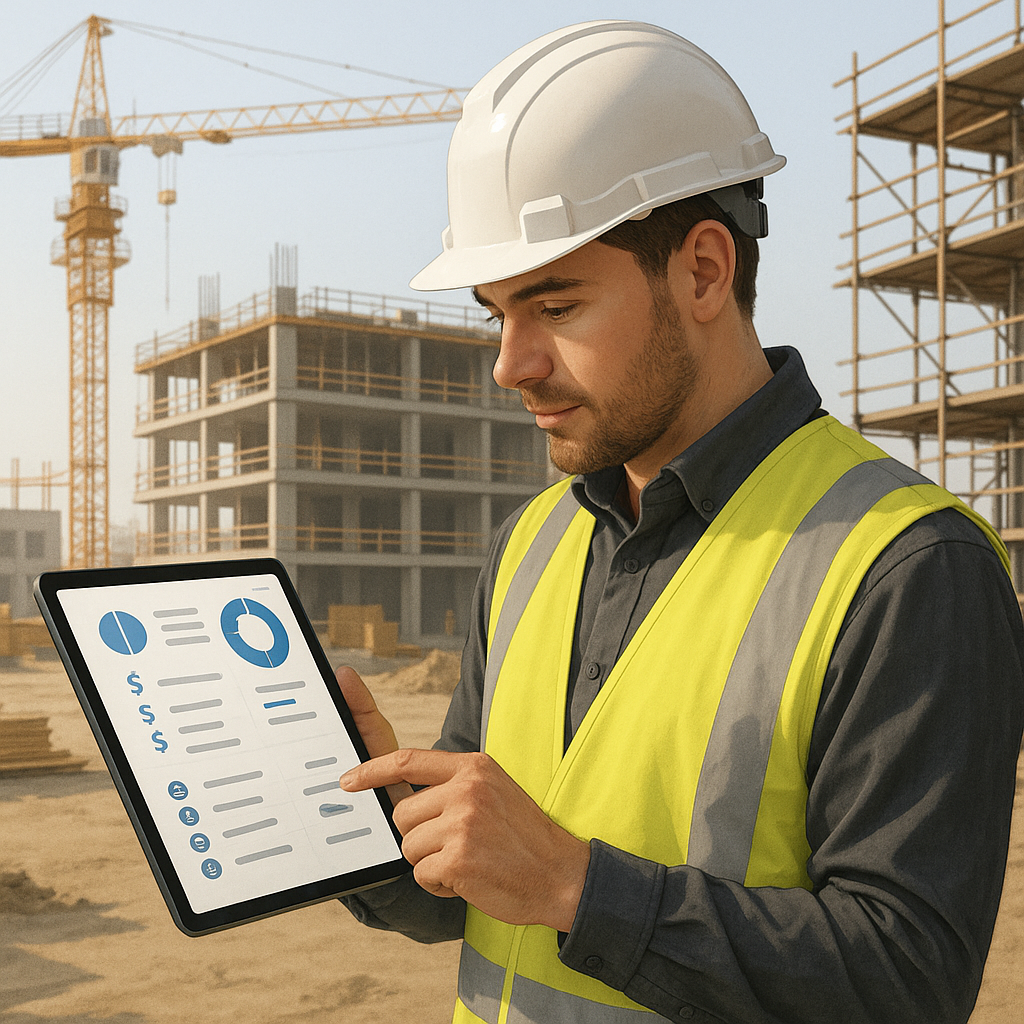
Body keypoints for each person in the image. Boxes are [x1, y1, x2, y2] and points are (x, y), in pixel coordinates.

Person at [336, 20, 1024, 1024]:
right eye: (498, 313)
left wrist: (577, 887)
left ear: (703, 271)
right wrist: (362, 825)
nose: (509, 363)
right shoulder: (532, 542)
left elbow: (906, 978)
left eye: (555, 306)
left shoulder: (905, 564)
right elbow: (480, 885)